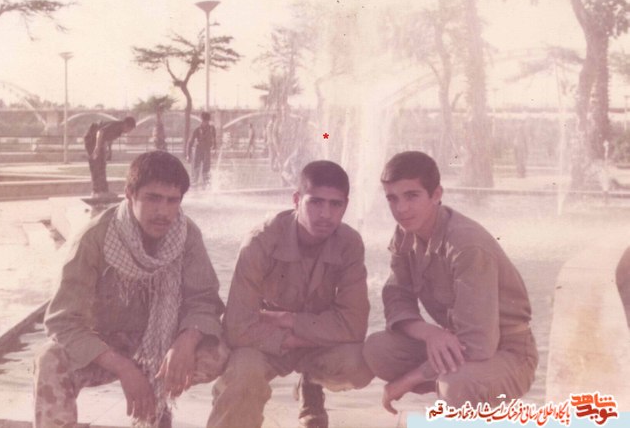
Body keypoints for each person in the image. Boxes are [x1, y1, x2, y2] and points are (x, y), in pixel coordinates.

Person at [34, 151, 228, 428]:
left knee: (221, 353)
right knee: (50, 360)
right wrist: (123, 368)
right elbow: (62, 322)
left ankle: (156, 411)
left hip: (164, 343)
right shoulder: (94, 239)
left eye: (172, 200)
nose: (163, 211)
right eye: (153, 198)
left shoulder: (186, 235)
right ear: (129, 194)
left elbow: (204, 300)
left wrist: (186, 341)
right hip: (106, 346)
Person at [363, 151, 538, 414]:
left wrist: (409, 379)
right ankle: (457, 399)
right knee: (378, 350)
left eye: (411, 196)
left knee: (455, 384)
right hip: (458, 342)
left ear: (436, 194)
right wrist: (430, 333)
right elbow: (397, 297)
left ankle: (467, 400)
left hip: (509, 352)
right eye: (392, 198)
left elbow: (479, 343)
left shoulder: (467, 245)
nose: (401, 209)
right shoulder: (405, 232)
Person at [206, 160, 373, 428]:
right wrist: (292, 338)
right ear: (296, 200)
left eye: (335, 204)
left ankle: (311, 384)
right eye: (315, 202)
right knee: (244, 375)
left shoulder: (349, 243)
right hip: (265, 343)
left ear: (346, 205)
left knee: (359, 364)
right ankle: (229, 400)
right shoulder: (261, 242)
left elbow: (354, 326)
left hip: (310, 342)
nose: (326, 214)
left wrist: (287, 319)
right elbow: (236, 328)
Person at [84, 116, 136, 198]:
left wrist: (106, 149)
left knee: (102, 165)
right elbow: (100, 132)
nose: (129, 132)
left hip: (98, 142)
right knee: (96, 165)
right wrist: (97, 148)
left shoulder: (119, 130)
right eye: (130, 129)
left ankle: (104, 191)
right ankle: (96, 191)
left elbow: (107, 137)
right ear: (126, 125)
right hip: (91, 139)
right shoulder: (116, 126)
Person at [186, 112, 216, 188]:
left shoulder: (212, 129)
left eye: (207, 121)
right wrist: (188, 155)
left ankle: (206, 184)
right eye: (204, 121)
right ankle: (194, 184)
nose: (206, 123)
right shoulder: (197, 130)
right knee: (196, 168)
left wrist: (214, 148)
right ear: (201, 120)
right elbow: (190, 142)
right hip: (198, 150)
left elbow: (214, 139)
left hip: (207, 151)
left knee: (206, 169)